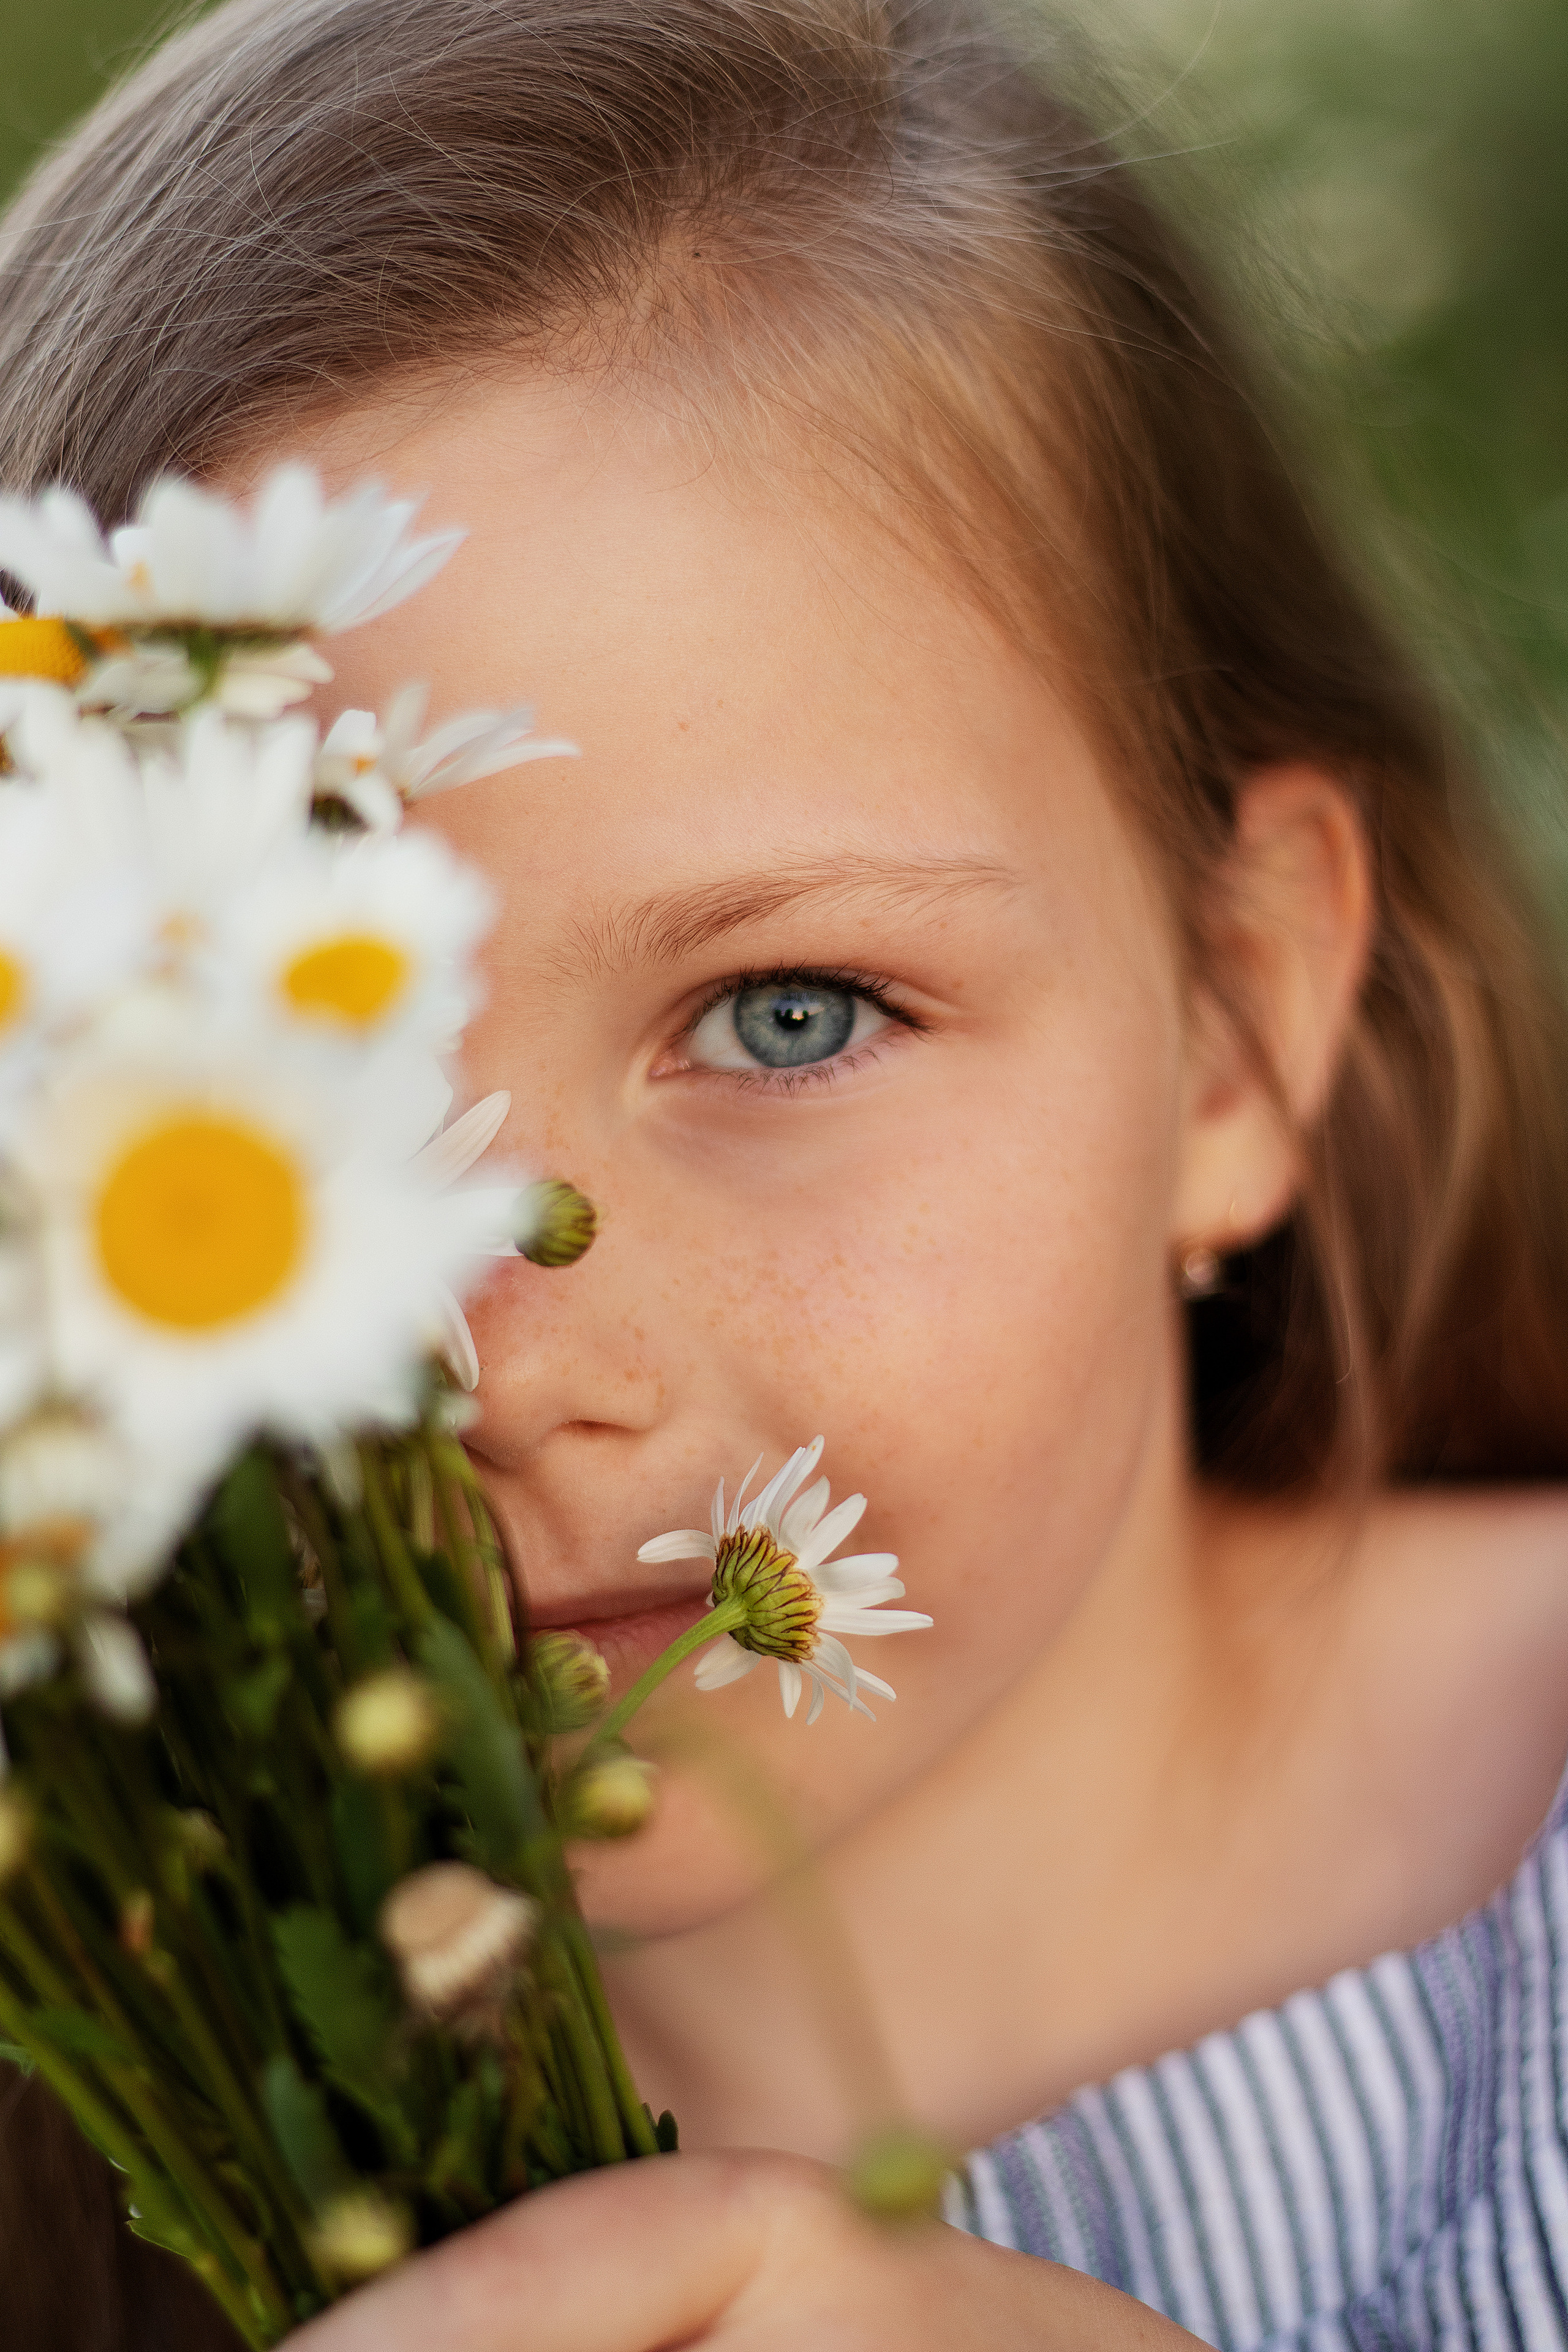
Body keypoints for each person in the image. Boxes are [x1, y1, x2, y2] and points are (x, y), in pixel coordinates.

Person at [4, 1, 1568, 2345]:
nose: (502, 1361)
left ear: (1241, 1024)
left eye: (790, 1016)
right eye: (267, 1109)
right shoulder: (128, 2128)